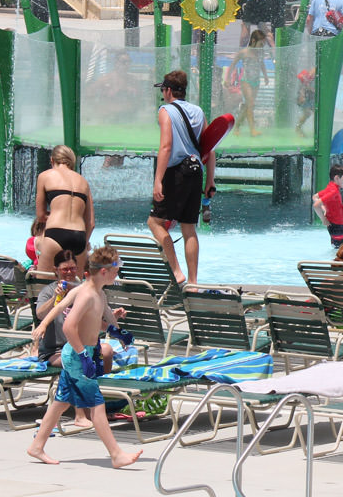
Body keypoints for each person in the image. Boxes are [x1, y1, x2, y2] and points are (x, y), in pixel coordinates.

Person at [27, 246, 143, 468]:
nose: (118, 272)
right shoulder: (87, 294)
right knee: (96, 405)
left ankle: (37, 446)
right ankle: (116, 454)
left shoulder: (97, 292)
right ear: (103, 271)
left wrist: (118, 332)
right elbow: (70, 326)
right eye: (116, 268)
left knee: (61, 402)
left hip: (84, 353)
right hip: (77, 355)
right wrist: (83, 356)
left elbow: (101, 316)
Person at [35, 249, 124, 427]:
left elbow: (94, 319)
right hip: (55, 350)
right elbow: (41, 314)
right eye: (64, 269)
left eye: (72, 269)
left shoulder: (84, 290)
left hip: (78, 346)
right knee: (78, 367)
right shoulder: (50, 290)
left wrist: (115, 324)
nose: (69, 272)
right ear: (56, 270)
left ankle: (100, 404)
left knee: (105, 351)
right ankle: (83, 414)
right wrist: (55, 298)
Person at [150, 70, 212, 285]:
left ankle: (177, 271)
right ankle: (193, 283)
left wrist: (158, 180)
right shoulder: (198, 111)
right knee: (189, 228)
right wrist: (210, 180)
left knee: (154, 222)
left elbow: (166, 146)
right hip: (196, 172)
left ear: (167, 90)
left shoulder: (165, 110)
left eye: (163, 91)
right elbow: (209, 148)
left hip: (176, 172)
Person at [35, 145, 94, 274]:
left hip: (55, 233)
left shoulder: (45, 176)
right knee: (74, 289)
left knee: (42, 286)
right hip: (79, 236)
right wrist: (84, 243)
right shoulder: (83, 182)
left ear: (52, 160)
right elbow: (91, 223)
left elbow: (40, 215)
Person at [227, 30, 270, 137]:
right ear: (253, 40)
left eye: (263, 45)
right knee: (251, 104)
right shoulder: (244, 52)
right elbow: (232, 65)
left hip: (256, 81)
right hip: (246, 81)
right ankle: (252, 130)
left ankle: (237, 126)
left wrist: (265, 76)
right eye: (260, 44)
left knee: (248, 106)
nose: (261, 47)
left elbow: (262, 64)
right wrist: (227, 79)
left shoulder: (260, 52)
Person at [313, 164, 343, 247]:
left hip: (335, 226)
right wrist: (323, 219)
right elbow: (316, 205)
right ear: (337, 178)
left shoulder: (331, 187)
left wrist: (324, 208)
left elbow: (315, 197)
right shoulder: (333, 192)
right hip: (337, 227)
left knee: (339, 250)